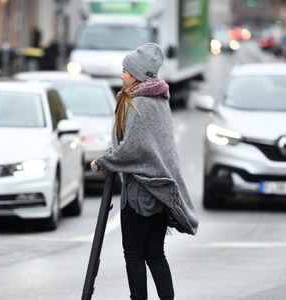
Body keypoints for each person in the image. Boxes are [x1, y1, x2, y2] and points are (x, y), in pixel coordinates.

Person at [90, 43, 198, 300]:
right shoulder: (159, 101)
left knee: (134, 255)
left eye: (125, 70)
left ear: (137, 74)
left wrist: (103, 161)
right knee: (154, 253)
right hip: (159, 192)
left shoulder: (140, 103)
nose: (121, 75)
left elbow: (133, 149)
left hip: (141, 192)